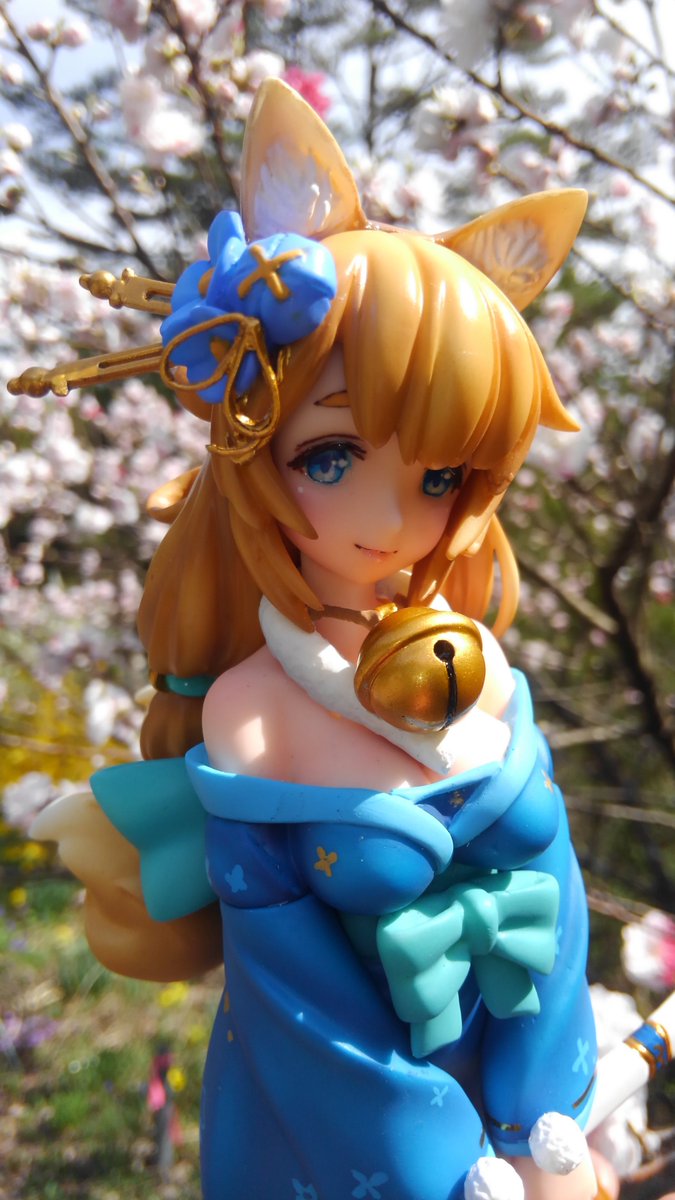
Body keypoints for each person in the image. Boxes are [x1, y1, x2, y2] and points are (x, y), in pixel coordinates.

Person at [32, 80, 600, 1200]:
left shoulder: (480, 670)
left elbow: (557, 901)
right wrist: (438, 1167)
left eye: (440, 478)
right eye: (329, 458)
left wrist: (548, 1118)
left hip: (526, 1111)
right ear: (256, 454)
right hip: (347, 1141)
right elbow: (292, 994)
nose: (390, 521)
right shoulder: (252, 710)